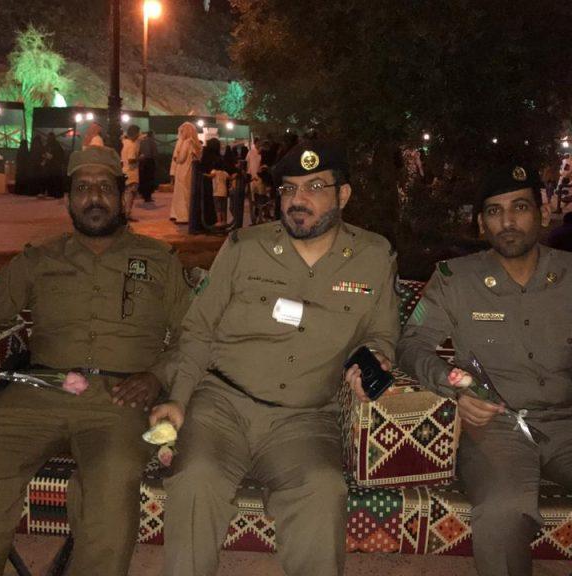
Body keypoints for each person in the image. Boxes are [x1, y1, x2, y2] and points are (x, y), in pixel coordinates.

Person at [396, 163, 572, 576]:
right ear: (481, 224)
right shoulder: (454, 280)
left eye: (519, 207)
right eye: (494, 211)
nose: (507, 221)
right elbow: (411, 345)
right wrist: (453, 385)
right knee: (502, 512)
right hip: (494, 427)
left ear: (543, 212)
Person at [0, 146, 193, 576]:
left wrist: (157, 375)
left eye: (104, 187)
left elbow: (195, 332)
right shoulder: (39, 258)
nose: (94, 197)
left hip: (122, 398)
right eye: (82, 188)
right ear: (68, 200)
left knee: (112, 474)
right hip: (40, 391)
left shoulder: (160, 261)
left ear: (125, 197)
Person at [150, 141, 400, 576]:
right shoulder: (245, 247)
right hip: (222, 405)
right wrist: (179, 398)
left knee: (323, 490)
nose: (298, 200)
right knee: (195, 480)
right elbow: (199, 329)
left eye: (315, 187)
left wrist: (376, 358)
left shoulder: (374, 257)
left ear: (343, 195)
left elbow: (382, 333)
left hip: (304, 417)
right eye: (289, 189)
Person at [169, 122, 201, 223]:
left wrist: (176, 158)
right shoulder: (194, 143)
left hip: (182, 170)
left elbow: (181, 158)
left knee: (182, 195)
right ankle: (185, 215)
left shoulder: (186, 142)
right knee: (187, 193)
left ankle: (183, 216)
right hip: (189, 170)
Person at [121, 124, 141, 221]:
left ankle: (124, 213)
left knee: (125, 194)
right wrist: (140, 158)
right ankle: (127, 214)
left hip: (124, 171)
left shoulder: (124, 142)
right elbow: (131, 160)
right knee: (130, 195)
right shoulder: (131, 145)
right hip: (131, 173)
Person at [138, 130, 158, 205]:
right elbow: (155, 153)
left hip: (142, 162)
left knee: (143, 179)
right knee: (149, 179)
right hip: (150, 162)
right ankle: (148, 196)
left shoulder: (142, 142)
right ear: (152, 135)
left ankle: (143, 194)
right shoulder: (152, 142)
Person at [46, 133, 67, 199]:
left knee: (55, 179)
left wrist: (53, 157)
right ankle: (52, 193)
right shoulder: (52, 145)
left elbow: (59, 155)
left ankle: (55, 193)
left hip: (55, 165)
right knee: (52, 179)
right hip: (52, 165)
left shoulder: (56, 146)